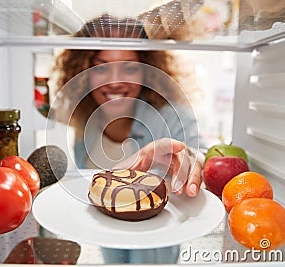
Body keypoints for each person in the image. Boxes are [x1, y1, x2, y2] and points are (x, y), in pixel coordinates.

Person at [51, 14, 205, 264]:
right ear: (84, 71)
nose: (115, 81)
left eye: (130, 67)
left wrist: (190, 159)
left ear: (148, 70)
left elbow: (200, 155)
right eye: (101, 67)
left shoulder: (172, 114)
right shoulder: (86, 120)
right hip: (108, 245)